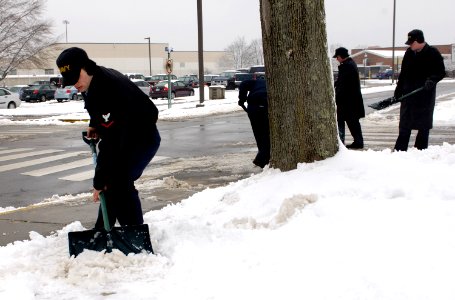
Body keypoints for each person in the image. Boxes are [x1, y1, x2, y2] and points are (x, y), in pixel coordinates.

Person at [56, 47, 161, 229]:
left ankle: (133, 234)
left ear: (85, 67)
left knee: (119, 182)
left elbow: (111, 145)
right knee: (113, 183)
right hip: (127, 135)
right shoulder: (92, 79)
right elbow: (99, 112)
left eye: (75, 78)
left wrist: (98, 182)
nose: (74, 85)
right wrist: (95, 124)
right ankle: (105, 229)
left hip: (141, 138)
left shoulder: (105, 88)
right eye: (70, 80)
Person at [393, 29, 446, 151]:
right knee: (404, 126)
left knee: (423, 127)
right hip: (408, 95)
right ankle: (399, 152)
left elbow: (441, 72)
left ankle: (420, 152)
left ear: (418, 41)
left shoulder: (433, 53)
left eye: (411, 43)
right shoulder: (409, 53)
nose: (410, 45)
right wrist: (398, 90)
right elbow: (403, 74)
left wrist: (432, 80)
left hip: (424, 96)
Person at [333, 47, 365, 149]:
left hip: (348, 101)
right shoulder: (350, 65)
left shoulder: (347, 67)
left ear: (341, 56)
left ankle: (344, 142)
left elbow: (342, 84)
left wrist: (337, 96)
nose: (337, 59)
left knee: (347, 121)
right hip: (351, 100)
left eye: (337, 57)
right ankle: (357, 141)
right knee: (352, 121)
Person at [238, 76, 270, 168]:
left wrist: (242, 99)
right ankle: (262, 158)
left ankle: (262, 158)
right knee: (266, 133)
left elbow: (243, 84)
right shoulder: (272, 82)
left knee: (258, 133)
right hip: (265, 106)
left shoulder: (255, 82)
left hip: (253, 107)